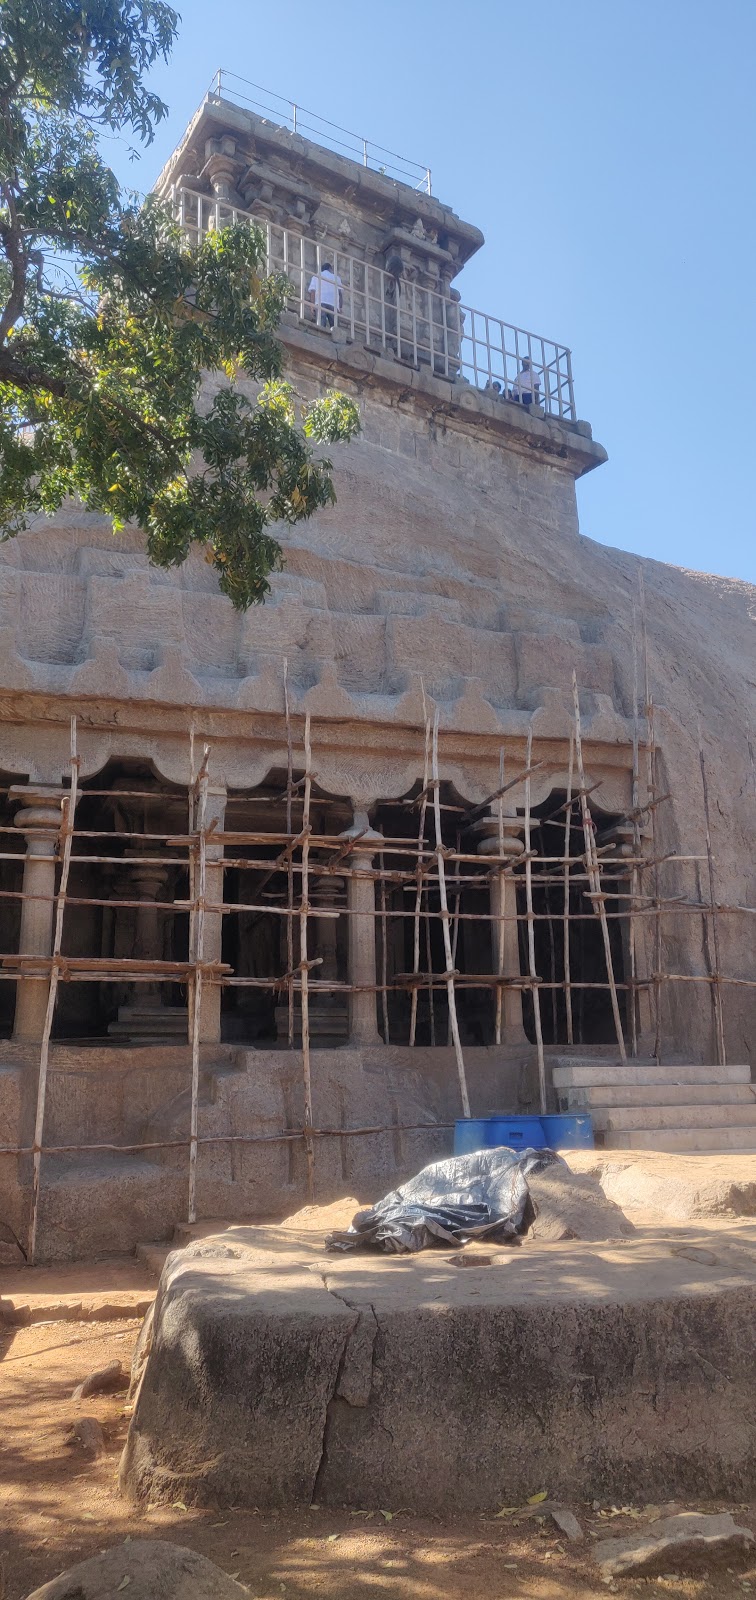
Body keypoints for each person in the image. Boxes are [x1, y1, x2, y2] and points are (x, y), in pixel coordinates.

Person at [307, 261, 343, 329]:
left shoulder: (316, 276)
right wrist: (340, 307)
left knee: (321, 325)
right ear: (330, 268)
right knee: (335, 327)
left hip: (320, 302)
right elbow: (340, 294)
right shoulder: (336, 278)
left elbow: (312, 291)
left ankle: (320, 333)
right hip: (333, 304)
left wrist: (312, 305)